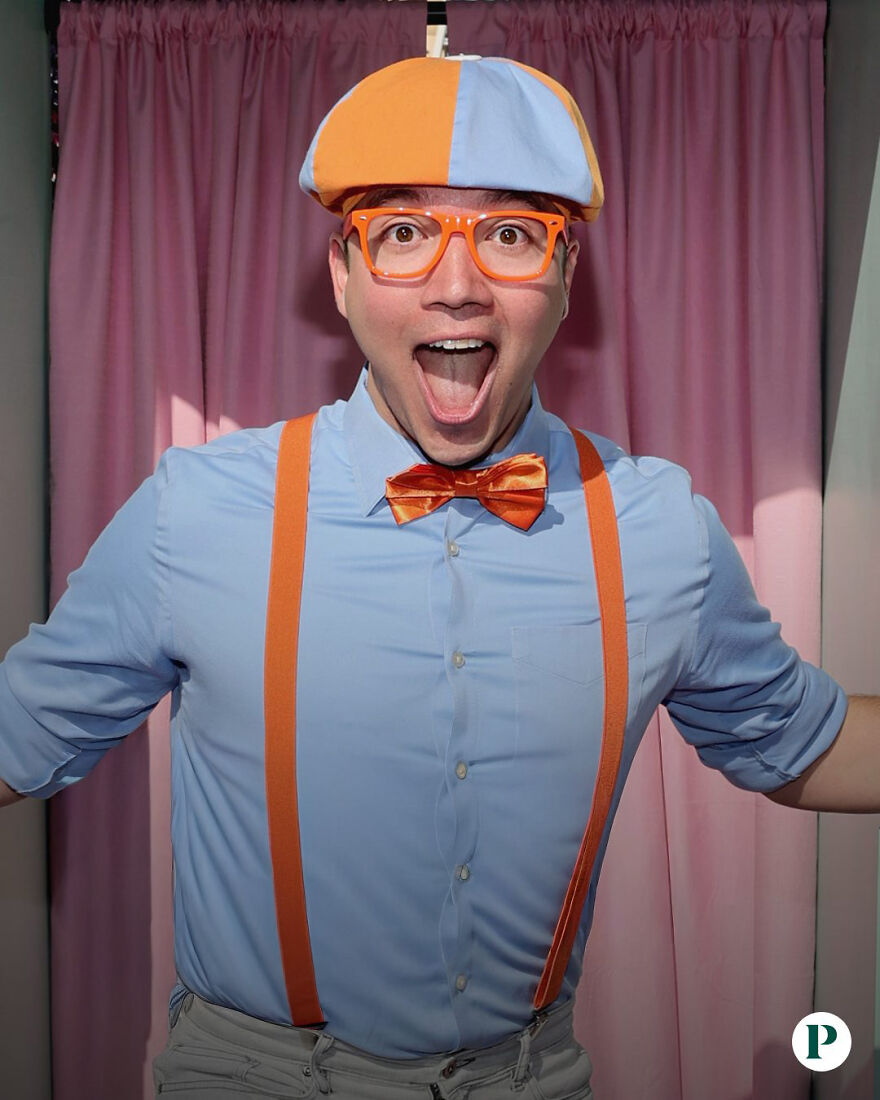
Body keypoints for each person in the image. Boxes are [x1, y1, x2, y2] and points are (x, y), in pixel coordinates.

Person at [0, 55, 877, 1100]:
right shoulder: (197, 509)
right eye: (405, 231)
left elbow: (806, 743)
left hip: (532, 1076)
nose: (456, 284)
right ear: (342, 272)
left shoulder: (658, 531)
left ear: (566, 274)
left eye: (509, 235)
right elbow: (19, 733)